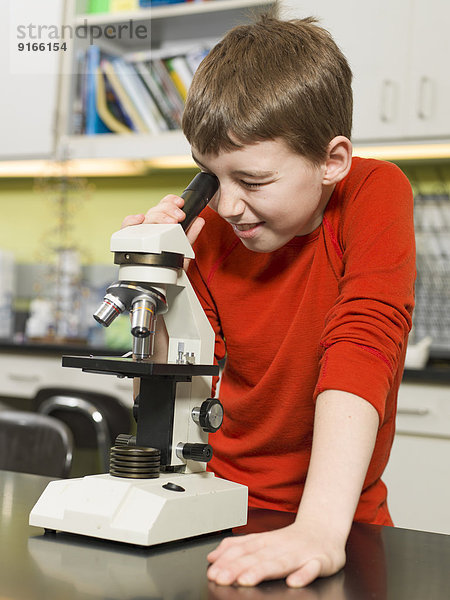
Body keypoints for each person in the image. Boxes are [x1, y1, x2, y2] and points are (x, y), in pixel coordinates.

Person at [122, 14, 416, 588]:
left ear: (331, 161)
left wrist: (319, 529)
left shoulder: (374, 193)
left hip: (336, 519)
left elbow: (364, 341)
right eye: (212, 177)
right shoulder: (209, 231)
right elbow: (172, 388)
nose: (228, 206)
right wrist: (160, 280)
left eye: (252, 182)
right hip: (219, 505)